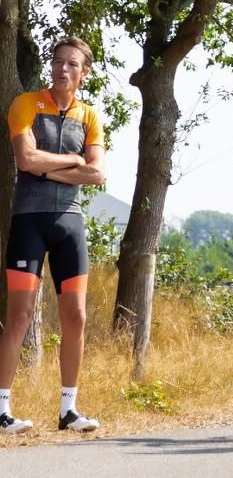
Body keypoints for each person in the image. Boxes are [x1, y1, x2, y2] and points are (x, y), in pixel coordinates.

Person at [1, 36, 106, 435]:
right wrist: (73, 161)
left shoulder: (89, 115)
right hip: (29, 220)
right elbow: (25, 158)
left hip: (69, 224)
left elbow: (97, 173)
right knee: (19, 314)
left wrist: (49, 168)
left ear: (84, 72)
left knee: (76, 316)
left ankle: (68, 410)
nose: (62, 69)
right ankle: (1, 408)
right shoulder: (26, 104)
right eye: (58, 61)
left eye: (71, 64)